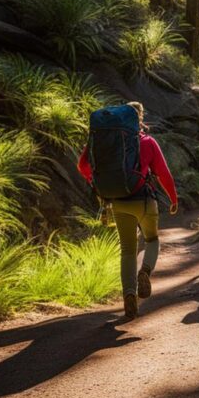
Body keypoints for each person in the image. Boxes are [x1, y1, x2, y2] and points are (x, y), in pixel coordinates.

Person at [78, 101, 178, 320]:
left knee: (127, 250)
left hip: (119, 203)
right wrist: (173, 198)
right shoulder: (148, 142)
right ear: (140, 118)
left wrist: (96, 184)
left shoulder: (105, 142)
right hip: (143, 200)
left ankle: (129, 295)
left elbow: (83, 165)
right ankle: (146, 271)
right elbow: (163, 173)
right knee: (151, 240)